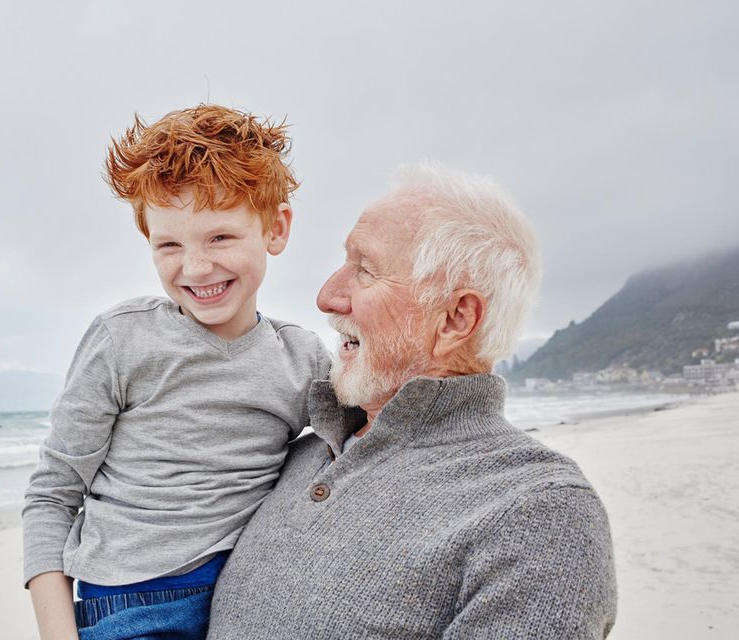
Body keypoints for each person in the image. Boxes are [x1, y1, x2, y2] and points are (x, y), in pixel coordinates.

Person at [208, 162, 618, 639]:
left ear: (455, 319)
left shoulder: (541, 511)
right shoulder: (293, 452)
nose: (326, 297)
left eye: (365, 270)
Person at [22, 104, 330, 640]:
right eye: (169, 244)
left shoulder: (303, 360)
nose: (195, 267)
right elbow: (54, 491)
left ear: (275, 229)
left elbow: (367, 443)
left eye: (220, 238)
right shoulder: (124, 339)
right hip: (127, 603)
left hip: (251, 591)